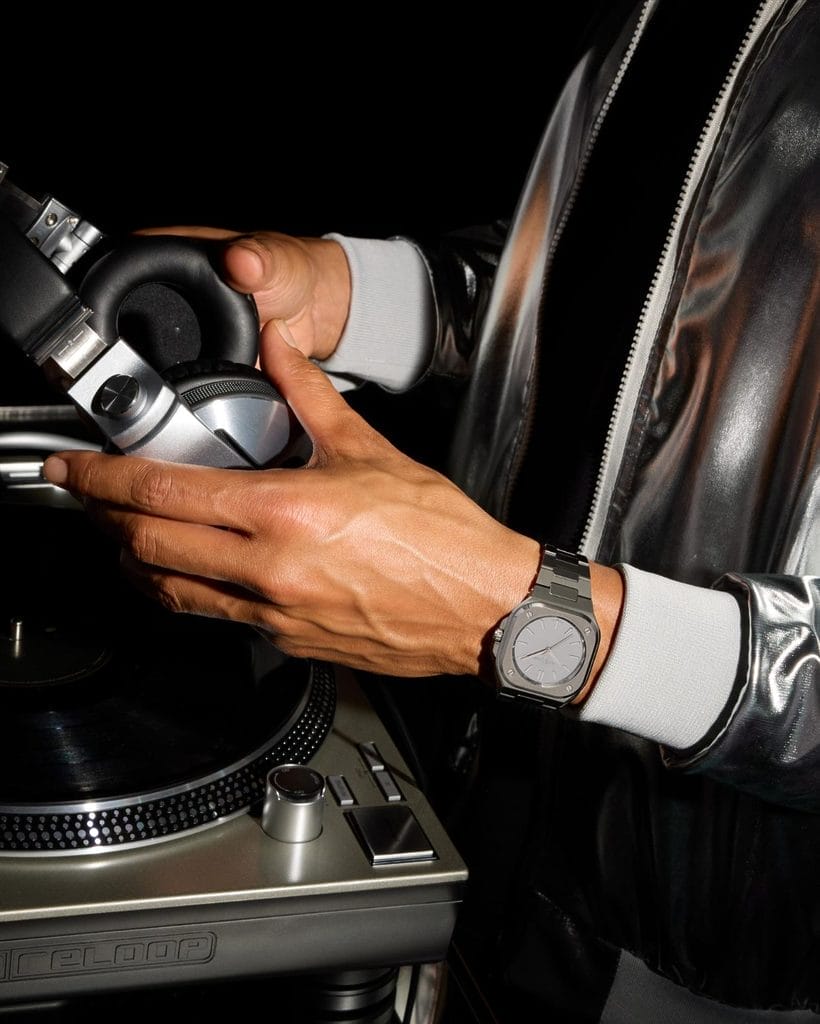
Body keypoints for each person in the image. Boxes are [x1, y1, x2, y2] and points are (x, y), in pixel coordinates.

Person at [41, 0, 819, 1019]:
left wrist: (521, 618)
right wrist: (346, 294)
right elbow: (622, 293)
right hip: (480, 823)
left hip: (696, 970)